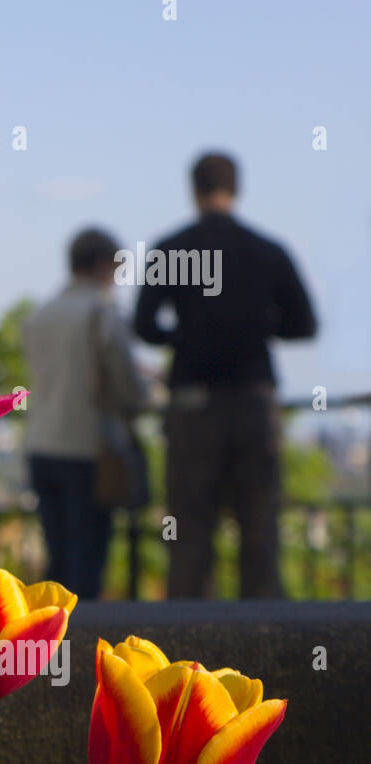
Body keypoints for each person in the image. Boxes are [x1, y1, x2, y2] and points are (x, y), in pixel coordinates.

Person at [135, 152, 317, 600]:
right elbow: (304, 324)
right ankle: (265, 632)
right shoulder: (268, 250)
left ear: (193, 189)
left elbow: (143, 326)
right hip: (254, 401)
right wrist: (256, 327)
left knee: (189, 531)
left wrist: (184, 336)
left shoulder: (171, 249)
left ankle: (186, 633)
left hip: (192, 405)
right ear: (237, 189)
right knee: (260, 527)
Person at [25, 228, 146, 600]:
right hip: (86, 447)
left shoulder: (41, 314)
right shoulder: (102, 312)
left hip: (40, 443)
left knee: (58, 554)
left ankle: (50, 629)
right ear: (103, 264)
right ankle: (81, 631)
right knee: (87, 559)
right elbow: (127, 385)